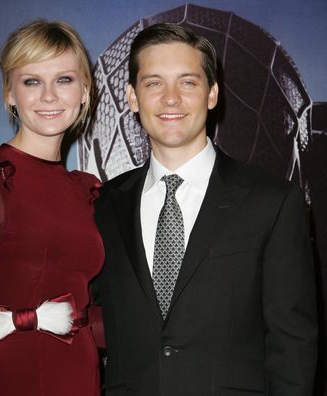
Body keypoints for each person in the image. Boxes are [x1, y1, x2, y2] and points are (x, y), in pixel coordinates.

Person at [94, 23, 317, 395]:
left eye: (187, 82)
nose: (170, 99)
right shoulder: (103, 205)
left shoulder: (273, 202)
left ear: (212, 94)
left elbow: (292, 344)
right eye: (153, 83)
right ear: (131, 97)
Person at [0, 20, 104, 396]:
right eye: (32, 81)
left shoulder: (85, 191)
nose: (49, 96)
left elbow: (89, 313)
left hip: (81, 378)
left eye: (64, 79)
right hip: (14, 380)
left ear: (84, 92)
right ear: (9, 94)